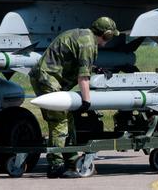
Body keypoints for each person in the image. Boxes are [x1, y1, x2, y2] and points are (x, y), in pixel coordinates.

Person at [29, 16, 120, 178]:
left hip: (44, 77)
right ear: (106, 34)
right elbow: (83, 78)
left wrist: (97, 69)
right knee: (59, 122)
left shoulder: (82, 35)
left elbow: (76, 60)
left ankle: (71, 158)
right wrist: (86, 102)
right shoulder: (88, 43)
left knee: (68, 118)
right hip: (48, 79)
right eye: (111, 35)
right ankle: (55, 165)